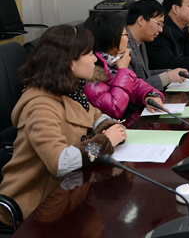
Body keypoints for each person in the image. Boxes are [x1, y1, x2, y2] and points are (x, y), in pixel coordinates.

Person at [0, 25, 127, 224]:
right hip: (38, 207)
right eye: (88, 54)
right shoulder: (40, 105)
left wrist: (108, 126)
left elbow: (95, 115)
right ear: (70, 63)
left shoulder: (70, 91)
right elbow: (60, 162)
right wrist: (106, 142)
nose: (95, 59)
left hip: (69, 194)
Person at [83, 12, 165, 126]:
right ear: (110, 37)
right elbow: (114, 109)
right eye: (125, 34)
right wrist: (123, 70)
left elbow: (135, 84)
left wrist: (149, 95)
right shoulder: (92, 69)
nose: (128, 38)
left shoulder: (111, 61)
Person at [125, 0, 187, 91]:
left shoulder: (140, 43)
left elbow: (143, 75)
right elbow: (131, 88)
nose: (161, 30)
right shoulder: (121, 46)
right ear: (141, 20)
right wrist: (167, 77)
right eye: (159, 23)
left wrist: (169, 72)